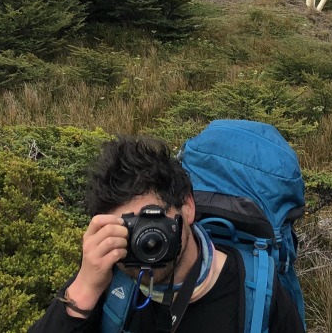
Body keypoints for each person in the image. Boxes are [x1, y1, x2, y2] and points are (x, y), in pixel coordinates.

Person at [29, 135, 304, 333]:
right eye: (127, 229)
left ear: (187, 207)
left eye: (151, 221)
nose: (144, 242)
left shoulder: (256, 292)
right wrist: (84, 289)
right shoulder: (109, 278)